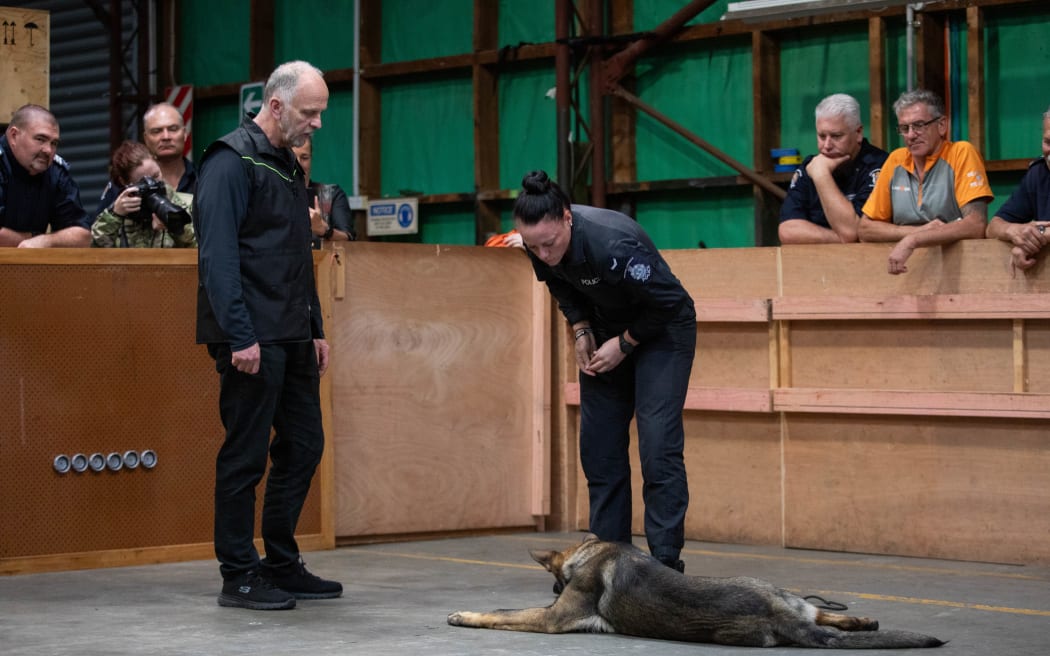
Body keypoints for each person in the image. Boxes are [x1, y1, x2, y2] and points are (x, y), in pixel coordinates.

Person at [193, 60, 341, 611]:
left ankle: (280, 561)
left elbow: (295, 256)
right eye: (311, 112)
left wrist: (316, 327)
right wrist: (239, 336)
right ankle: (239, 573)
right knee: (246, 456)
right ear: (275, 105)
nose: (318, 124)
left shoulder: (286, 164)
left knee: (304, 445)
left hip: (292, 332)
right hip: (251, 336)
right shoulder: (230, 162)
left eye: (321, 112)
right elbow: (218, 259)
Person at [513, 169, 696, 574]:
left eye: (550, 243)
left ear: (567, 218)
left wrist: (626, 343)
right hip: (605, 327)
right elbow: (560, 284)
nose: (543, 253)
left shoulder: (612, 242)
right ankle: (611, 561)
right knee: (599, 447)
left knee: (657, 444)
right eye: (533, 246)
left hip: (662, 330)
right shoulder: (537, 243)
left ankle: (664, 565)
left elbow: (671, 303)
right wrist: (581, 329)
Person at [858, 89, 992, 274]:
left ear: (942, 125)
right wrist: (913, 234)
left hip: (959, 270)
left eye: (919, 125)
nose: (911, 135)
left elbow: (976, 224)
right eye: (904, 128)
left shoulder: (961, 153)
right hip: (907, 270)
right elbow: (865, 229)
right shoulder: (896, 160)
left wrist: (914, 240)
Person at [778, 93, 888, 244]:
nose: (827, 146)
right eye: (822, 136)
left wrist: (821, 175)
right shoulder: (811, 165)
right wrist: (841, 240)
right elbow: (787, 231)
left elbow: (852, 230)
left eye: (836, 136)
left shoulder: (880, 165)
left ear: (858, 133)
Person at [0, 104, 91, 247]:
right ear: (14, 136)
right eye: (40, 139)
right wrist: (32, 240)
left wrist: (46, 241)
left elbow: (82, 235)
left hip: (30, 267)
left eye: (54, 143)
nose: (48, 150)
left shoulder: (55, 172)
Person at [94, 102, 197, 217]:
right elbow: (97, 231)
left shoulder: (201, 179)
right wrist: (115, 212)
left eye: (173, 129)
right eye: (156, 131)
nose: (166, 137)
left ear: (185, 133)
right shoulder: (125, 183)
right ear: (146, 138)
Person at [91, 140, 196, 248]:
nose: (152, 185)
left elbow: (199, 251)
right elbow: (96, 252)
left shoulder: (186, 204)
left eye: (155, 176)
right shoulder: (119, 211)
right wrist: (115, 216)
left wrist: (174, 225)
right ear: (125, 182)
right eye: (143, 182)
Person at [986, 105, 1050, 271]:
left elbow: (1039, 235)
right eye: (1048, 142)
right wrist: (1014, 231)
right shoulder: (1038, 173)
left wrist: (1034, 240)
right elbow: (993, 227)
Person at [290, 135, 355, 246]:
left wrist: (324, 230)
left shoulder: (331, 194)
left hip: (323, 261)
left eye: (304, 158)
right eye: (292, 158)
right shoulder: (274, 194)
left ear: (311, 159)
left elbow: (348, 238)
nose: (298, 164)